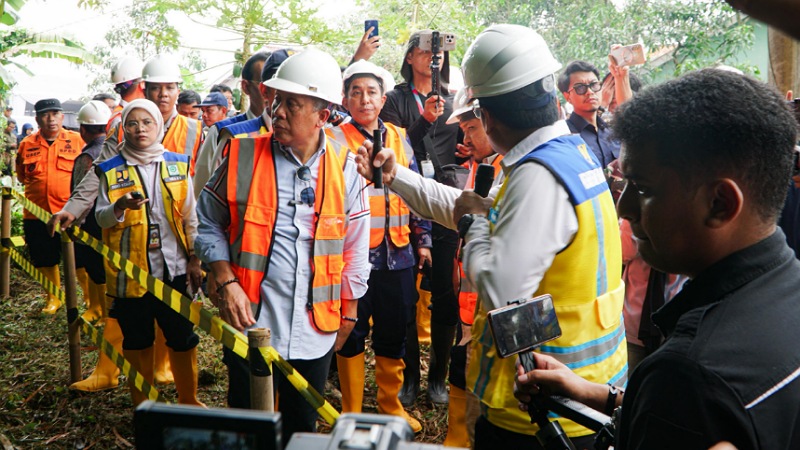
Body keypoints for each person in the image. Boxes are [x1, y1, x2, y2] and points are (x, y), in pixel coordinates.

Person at [357, 24, 625, 449]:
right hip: (574, 390)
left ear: (488, 116)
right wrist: (396, 177)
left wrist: (472, 227)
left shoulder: (538, 177)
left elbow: (500, 284)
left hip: (546, 409)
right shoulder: (565, 154)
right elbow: (472, 208)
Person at [516, 68, 800, 449]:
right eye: (624, 185)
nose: (624, 207)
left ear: (720, 203)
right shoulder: (788, 290)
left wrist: (663, 395)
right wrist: (597, 393)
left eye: (643, 189)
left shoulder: (687, 375)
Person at [194, 48, 370, 443]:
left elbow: (356, 247)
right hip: (250, 319)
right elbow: (206, 221)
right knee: (247, 422)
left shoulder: (346, 168)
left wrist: (350, 311)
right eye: (276, 100)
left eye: (292, 103)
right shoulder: (240, 155)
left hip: (316, 327)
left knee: (300, 427)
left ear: (323, 115)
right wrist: (224, 280)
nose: (278, 111)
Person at [48, 54, 203, 386]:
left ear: (179, 90)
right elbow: (97, 174)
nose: (163, 95)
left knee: (176, 316)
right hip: (132, 242)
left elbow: (203, 184)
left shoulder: (196, 131)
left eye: (170, 88)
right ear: (144, 87)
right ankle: (110, 370)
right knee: (131, 308)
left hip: (178, 237)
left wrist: (201, 249)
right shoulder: (123, 125)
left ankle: (166, 373)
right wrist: (73, 209)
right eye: (156, 87)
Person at [331, 59, 431, 433]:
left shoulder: (399, 136)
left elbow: (418, 189)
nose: (364, 99)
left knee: (394, 329)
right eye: (356, 92)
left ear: (383, 97)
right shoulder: (335, 138)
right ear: (345, 99)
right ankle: (351, 409)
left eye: (371, 92)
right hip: (353, 254)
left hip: (399, 252)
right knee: (351, 330)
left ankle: (391, 406)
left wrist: (422, 240)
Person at [95, 99, 203, 407]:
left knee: (182, 337)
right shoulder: (110, 170)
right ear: (123, 129)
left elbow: (190, 216)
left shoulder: (178, 164)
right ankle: (143, 406)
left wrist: (195, 258)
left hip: (175, 270)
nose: (140, 129)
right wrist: (118, 206)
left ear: (159, 126)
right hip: (132, 274)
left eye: (147, 122)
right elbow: (101, 217)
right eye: (132, 123)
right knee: (137, 340)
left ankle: (188, 400)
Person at [380, 29, 463, 406]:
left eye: (441, 51)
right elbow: (392, 147)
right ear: (411, 56)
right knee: (404, 296)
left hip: (445, 203)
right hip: (403, 204)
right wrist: (425, 121)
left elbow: (459, 150)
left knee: (445, 293)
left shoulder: (454, 99)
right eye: (429, 50)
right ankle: (410, 377)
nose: (436, 57)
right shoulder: (395, 99)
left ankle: (439, 378)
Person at [440, 86, 504, 447]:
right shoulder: (480, 167)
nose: (466, 137)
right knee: (460, 360)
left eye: (471, 129)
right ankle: (455, 437)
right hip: (468, 301)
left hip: (488, 304)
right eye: (462, 131)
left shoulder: (507, 173)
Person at [68, 100, 121, 392]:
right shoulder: (113, 143)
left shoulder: (87, 155)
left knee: (100, 272)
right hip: (112, 219)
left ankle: (98, 307)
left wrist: (76, 218)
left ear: (83, 128)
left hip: (98, 223)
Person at [16, 99, 86, 314]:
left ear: (62, 116)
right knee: (45, 258)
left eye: (55, 113)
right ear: (37, 119)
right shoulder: (26, 144)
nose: (51, 118)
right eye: (46, 114)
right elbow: (21, 175)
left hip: (71, 213)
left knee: (82, 259)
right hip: (36, 214)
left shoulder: (77, 141)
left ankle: (91, 302)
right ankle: (53, 298)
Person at [190, 51, 272, 198]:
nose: (272, 91)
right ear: (246, 87)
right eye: (264, 84)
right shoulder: (223, 132)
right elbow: (202, 191)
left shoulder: (294, 135)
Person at [557, 60, 622, 169]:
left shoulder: (612, 130)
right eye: (580, 88)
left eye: (594, 85)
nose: (590, 92)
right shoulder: (565, 137)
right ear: (567, 96)